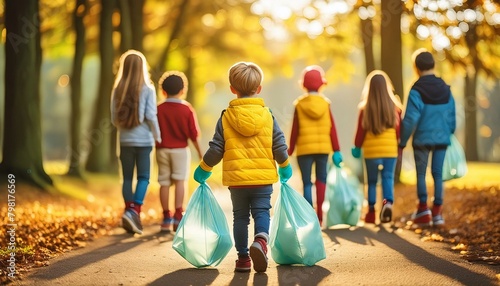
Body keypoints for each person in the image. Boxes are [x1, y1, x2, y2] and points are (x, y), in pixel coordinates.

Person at [193, 62, 292, 273]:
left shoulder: (226, 116)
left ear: (232, 89)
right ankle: (261, 242)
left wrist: (204, 168)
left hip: (237, 180)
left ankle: (243, 259)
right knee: (262, 212)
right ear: (259, 89)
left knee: (240, 217)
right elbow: (279, 145)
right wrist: (284, 166)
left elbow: (216, 148)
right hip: (263, 178)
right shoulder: (268, 116)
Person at [399, 49, 456, 227]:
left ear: (416, 67)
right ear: (433, 65)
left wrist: (402, 141)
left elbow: (410, 119)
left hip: (422, 139)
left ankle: (423, 210)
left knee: (421, 174)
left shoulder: (417, 89)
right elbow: (452, 116)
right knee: (438, 174)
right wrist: (449, 132)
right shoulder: (446, 89)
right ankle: (437, 212)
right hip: (441, 138)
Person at [111, 50, 161, 235]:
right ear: (142, 68)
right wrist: (158, 136)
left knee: (126, 179)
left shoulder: (117, 90)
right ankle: (134, 211)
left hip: (124, 141)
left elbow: (113, 118)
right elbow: (150, 115)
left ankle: (128, 212)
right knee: (144, 178)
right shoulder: (148, 89)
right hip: (144, 141)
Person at [287, 65, 343, 225]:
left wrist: (290, 150)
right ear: (321, 84)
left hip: (304, 149)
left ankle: (308, 215)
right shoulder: (326, 104)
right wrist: (336, 149)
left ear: (303, 84)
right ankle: (319, 215)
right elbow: (332, 128)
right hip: (323, 149)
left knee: (306, 181)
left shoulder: (299, 104)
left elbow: (294, 129)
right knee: (321, 179)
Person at [352, 70, 403, 224]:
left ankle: (371, 212)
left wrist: (356, 146)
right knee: (388, 177)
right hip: (390, 150)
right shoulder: (395, 108)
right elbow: (398, 131)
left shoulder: (364, 108)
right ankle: (387, 203)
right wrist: (399, 147)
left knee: (372, 181)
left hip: (371, 152)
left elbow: (360, 132)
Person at [156, 71, 203, 232]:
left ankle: (165, 217)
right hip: (180, 151)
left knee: (163, 182)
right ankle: (178, 215)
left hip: (162, 150)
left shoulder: (158, 109)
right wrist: (200, 152)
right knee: (180, 181)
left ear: (163, 91)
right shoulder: (187, 109)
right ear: (183, 90)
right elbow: (194, 134)